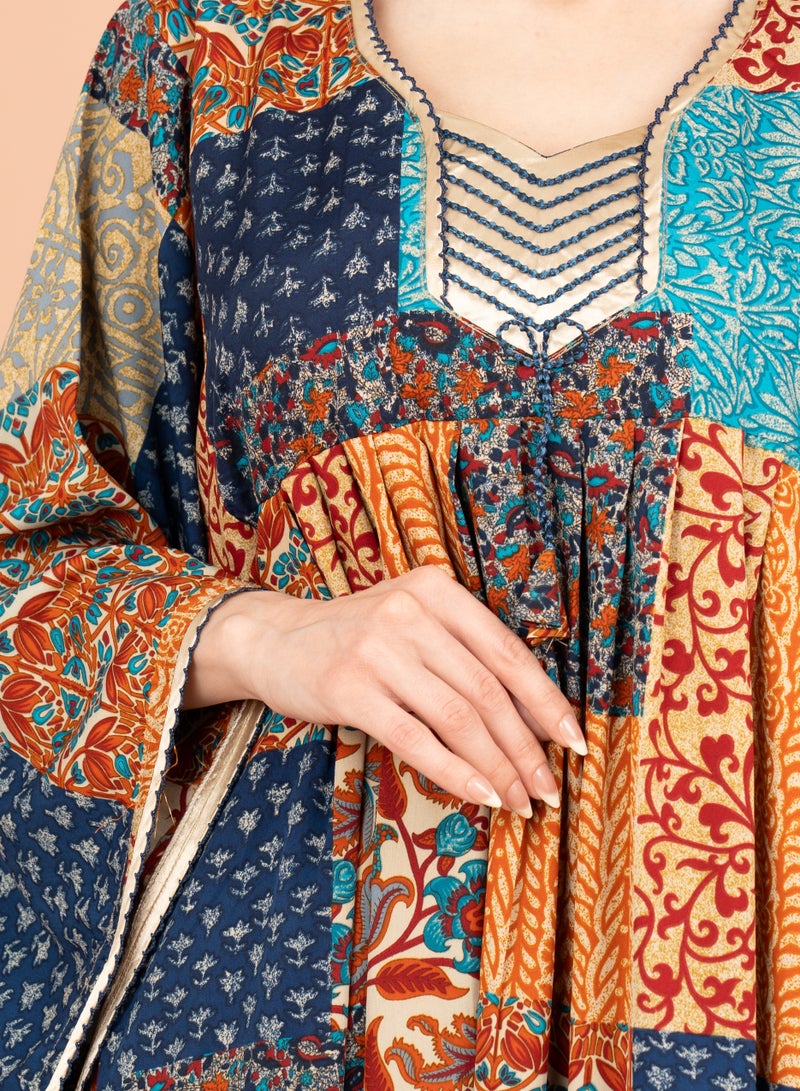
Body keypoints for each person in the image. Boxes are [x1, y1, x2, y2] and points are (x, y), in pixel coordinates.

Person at [0, 0, 796, 1087]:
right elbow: (29, 550)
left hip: (735, 973)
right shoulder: (205, 49)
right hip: (288, 982)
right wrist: (263, 634)